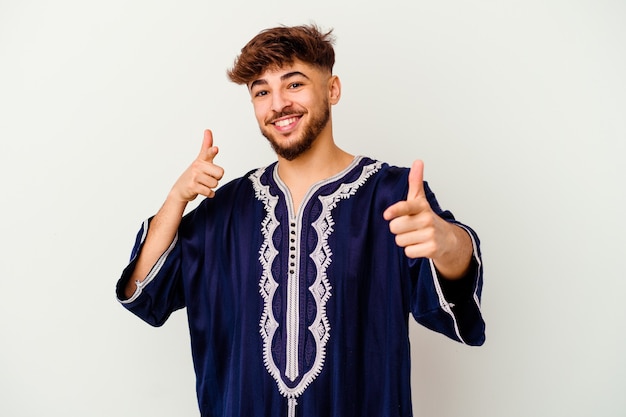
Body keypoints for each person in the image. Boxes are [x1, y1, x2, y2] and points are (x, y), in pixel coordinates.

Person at [116, 24, 485, 417]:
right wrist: (176, 198)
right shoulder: (225, 211)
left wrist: (446, 241)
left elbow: (453, 295)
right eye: (262, 92)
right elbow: (145, 292)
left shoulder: (392, 195)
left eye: (293, 84)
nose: (277, 104)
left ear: (332, 89)